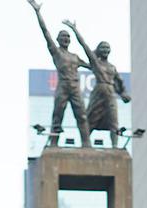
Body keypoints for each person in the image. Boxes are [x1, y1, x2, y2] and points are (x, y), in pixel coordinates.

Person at [27, 0, 90, 146]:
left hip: (75, 87)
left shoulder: (75, 57)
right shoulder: (56, 52)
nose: (65, 39)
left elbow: (93, 65)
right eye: (63, 36)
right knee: (58, 115)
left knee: (81, 115)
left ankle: (86, 143)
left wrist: (75, 30)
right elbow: (45, 32)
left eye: (68, 37)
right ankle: (54, 142)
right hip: (63, 86)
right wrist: (37, 12)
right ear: (58, 40)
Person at [63, 20, 131, 147]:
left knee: (113, 120)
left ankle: (115, 146)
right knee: (90, 118)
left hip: (110, 94)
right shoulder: (96, 63)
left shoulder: (112, 67)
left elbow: (119, 83)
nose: (105, 49)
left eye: (107, 47)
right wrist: (74, 29)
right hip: (98, 92)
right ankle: (85, 143)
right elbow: (84, 46)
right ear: (99, 50)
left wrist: (123, 94)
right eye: (103, 47)